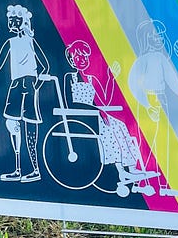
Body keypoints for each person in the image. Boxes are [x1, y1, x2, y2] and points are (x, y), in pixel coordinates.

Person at [62, 41, 155, 195]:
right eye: (77, 57)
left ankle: (131, 169)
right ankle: (124, 170)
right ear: (71, 59)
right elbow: (68, 102)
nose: (81, 60)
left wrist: (111, 78)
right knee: (114, 129)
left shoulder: (92, 77)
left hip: (98, 114)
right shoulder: (69, 78)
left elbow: (104, 99)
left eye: (84, 57)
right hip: (83, 118)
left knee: (121, 128)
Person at [127, 20, 178, 197]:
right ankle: (143, 182)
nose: (159, 38)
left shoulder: (162, 58)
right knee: (148, 142)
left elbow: (175, 85)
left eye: (161, 35)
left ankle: (164, 185)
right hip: (150, 100)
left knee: (164, 142)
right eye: (155, 35)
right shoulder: (143, 60)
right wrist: (147, 105)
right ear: (147, 37)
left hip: (160, 99)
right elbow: (133, 85)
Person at [0, 6, 50, 182]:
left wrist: (36, 84)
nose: (12, 23)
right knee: (12, 124)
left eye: (16, 20)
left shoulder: (30, 41)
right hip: (15, 85)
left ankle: (35, 170)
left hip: (29, 84)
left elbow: (45, 65)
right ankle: (18, 169)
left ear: (24, 22)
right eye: (10, 20)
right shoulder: (10, 42)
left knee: (30, 128)